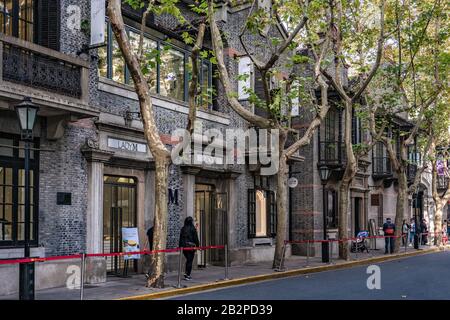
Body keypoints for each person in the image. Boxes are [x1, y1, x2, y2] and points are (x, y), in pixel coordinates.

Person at [179, 216, 200, 281]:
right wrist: (198, 246)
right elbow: (195, 238)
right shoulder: (192, 229)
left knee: (188, 260)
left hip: (184, 247)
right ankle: (187, 275)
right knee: (190, 261)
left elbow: (181, 239)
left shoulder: (183, 229)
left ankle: (186, 273)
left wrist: (180, 247)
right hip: (191, 247)